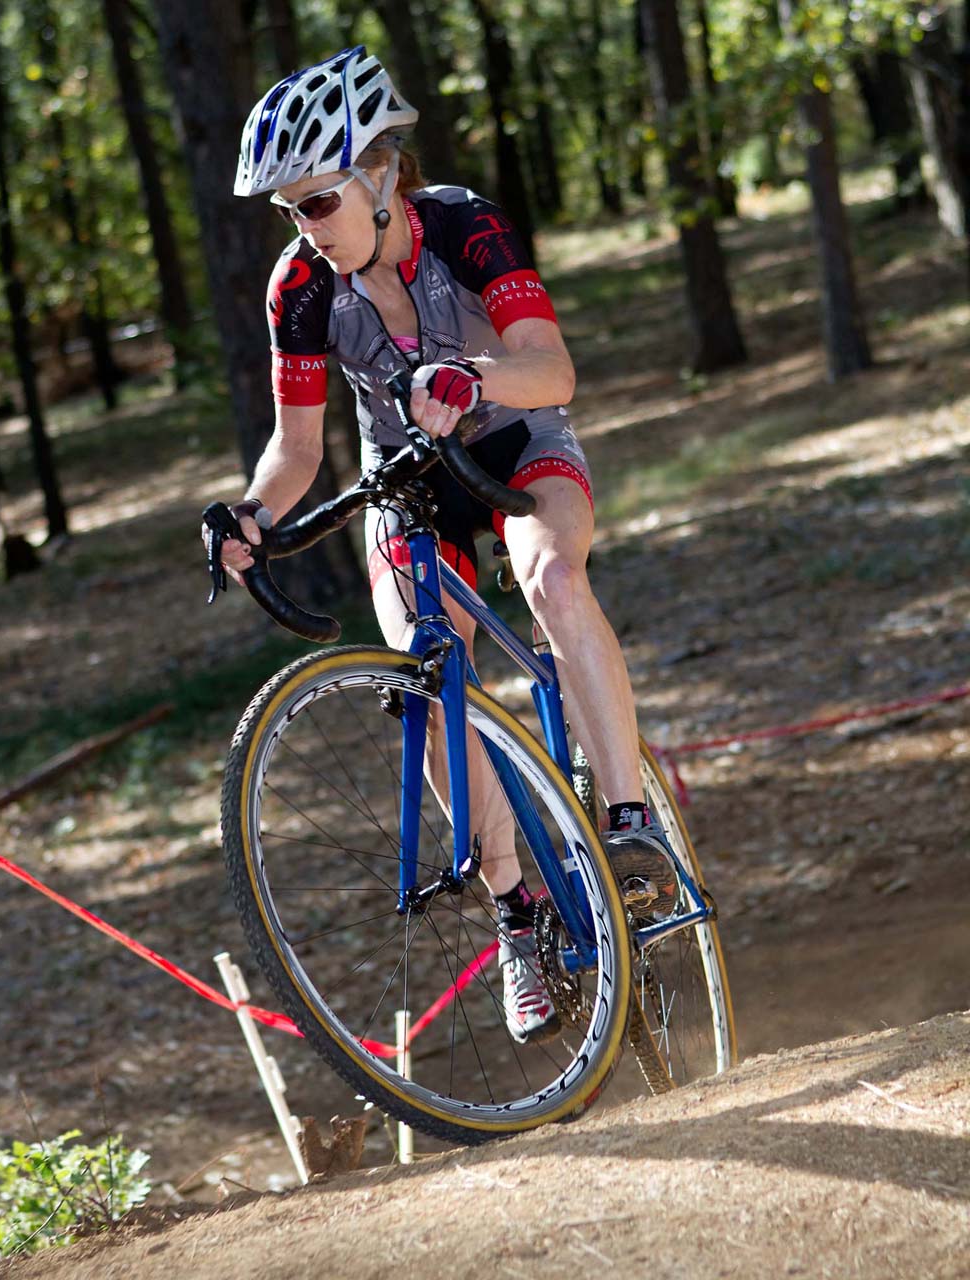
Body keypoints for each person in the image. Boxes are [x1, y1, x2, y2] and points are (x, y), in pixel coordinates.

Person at [217, 46, 677, 1044]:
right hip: (408, 481)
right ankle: (518, 911)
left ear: (381, 175)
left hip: (515, 438)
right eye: (290, 208)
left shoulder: (465, 224)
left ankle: (631, 826)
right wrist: (249, 511)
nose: (303, 227)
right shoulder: (300, 287)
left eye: (316, 201)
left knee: (553, 576)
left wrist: (473, 374)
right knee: (423, 680)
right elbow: (295, 450)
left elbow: (552, 372)